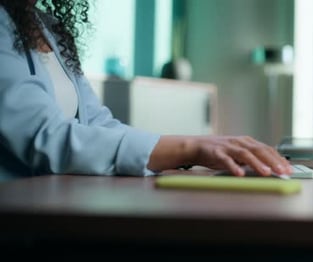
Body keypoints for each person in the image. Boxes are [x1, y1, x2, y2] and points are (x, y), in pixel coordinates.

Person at [0, 0, 292, 182]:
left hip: (55, 204)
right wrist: (187, 149)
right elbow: (45, 137)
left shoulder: (47, 26)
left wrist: (195, 146)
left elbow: (98, 123)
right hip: (20, 219)